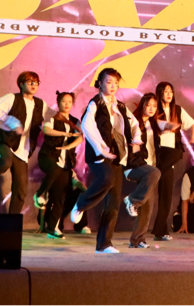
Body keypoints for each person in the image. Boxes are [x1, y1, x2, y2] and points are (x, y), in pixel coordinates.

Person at [69, 68, 143, 254]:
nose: (113, 86)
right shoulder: (95, 104)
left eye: (116, 83)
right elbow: (87, 125)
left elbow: (134, 124)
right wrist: (101, 148)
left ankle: (103, 244)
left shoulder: (120, 106)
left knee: (113, 202)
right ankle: (81, 203)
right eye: (109, 82)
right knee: (107, 178)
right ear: (100, 83)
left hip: (116, 156)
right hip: (98, 155)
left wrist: (136, 140)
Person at [0, 71, 49, 213]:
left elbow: (53, 115)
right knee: (5, 162)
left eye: (36, 82)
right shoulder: (12, 98)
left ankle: (11, 222)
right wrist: (9, 122)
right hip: (5, 142)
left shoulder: (40, 104)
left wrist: (73, 124)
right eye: (30, 82)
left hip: (23, 151)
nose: (34, 85)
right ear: (21, 84)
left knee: (20, 191)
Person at [151, 81, 194, 242]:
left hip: (169, 156)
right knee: (177, 154)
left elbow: (193, 123)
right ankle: (159, 230)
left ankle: (160, 231)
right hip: (158, 152)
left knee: (166, 196)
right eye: (165, 91)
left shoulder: (177, 110)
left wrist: (192, 137)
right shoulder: (155, 108)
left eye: (170, 91)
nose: (169, 94)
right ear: (159, 93)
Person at [35, 91, 83, 239]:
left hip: (65, 162)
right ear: (58, 102)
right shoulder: (53, 117)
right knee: (54, 169)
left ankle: (53, 228)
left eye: (69, 101)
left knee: (60, 196)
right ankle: (39, 194)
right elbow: (46, 130)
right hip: (48, 156)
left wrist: (68, 147)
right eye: (64, 101)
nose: (67, 104)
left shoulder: (75, 121)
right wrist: (63, 134)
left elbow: (81, 137)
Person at [121, 92, 163, 249]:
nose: (151, 108)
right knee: (155, 173)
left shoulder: (152, 124)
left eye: (154, 106)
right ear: (142, 106)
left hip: (148, 168)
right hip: (134, 166)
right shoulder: (134, 122)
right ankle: (132, 200)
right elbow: (132, 148)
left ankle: (137, 240)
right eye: (148, 105)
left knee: (148, 206)